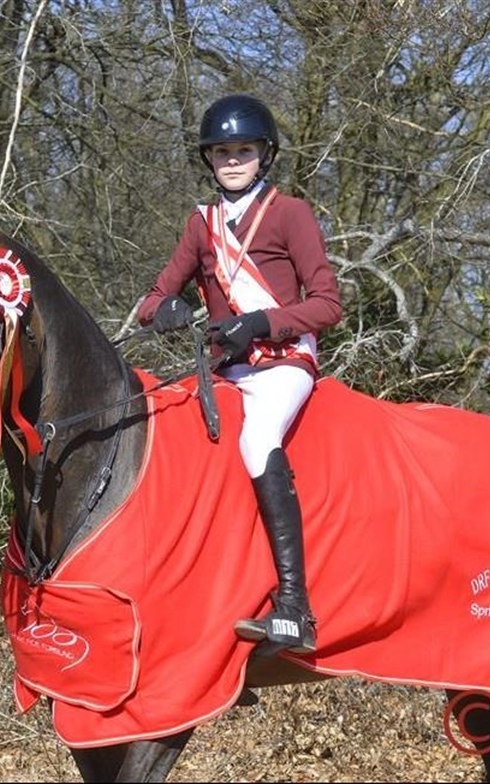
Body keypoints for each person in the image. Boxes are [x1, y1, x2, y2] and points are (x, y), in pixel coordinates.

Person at [138, 93, 343, 655]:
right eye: (222, 152)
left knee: (256, 440)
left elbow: (328, 304)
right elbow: (152, 299)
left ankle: (295, 607)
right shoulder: (200, 224)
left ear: (264, 155)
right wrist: (167, 309)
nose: (232, 161)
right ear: (209, 158)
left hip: (283, 363)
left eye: (243, 151)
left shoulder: (289, 213)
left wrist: (260, 322)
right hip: (226, 370)